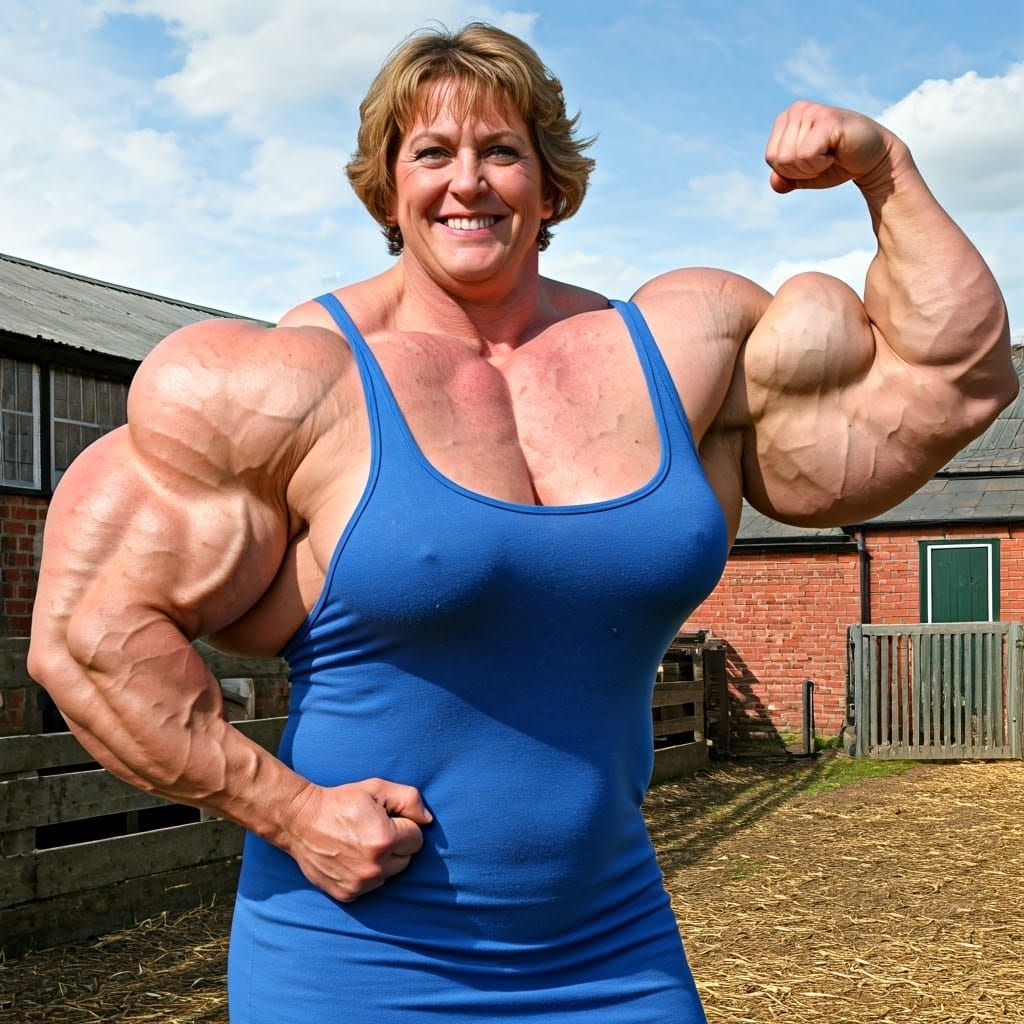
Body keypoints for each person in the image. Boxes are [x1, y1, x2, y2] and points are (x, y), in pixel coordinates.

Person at [28, 21, 1014, 1024]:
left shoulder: (676, 350)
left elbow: (952, 382)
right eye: (432, 154)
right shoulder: (293, 380)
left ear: (553, 184)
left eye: (501, 150)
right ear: (385, 188)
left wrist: (883, 167)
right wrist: (287, 810)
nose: (468, 181)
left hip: (613, 948)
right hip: (355, 959)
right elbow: (88, 637)